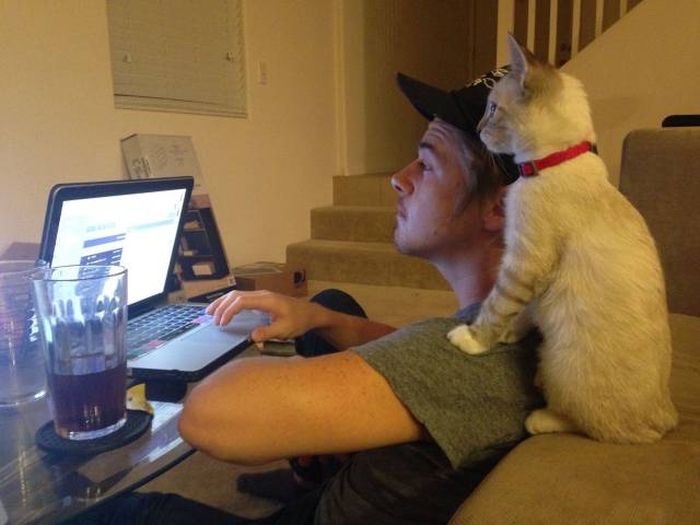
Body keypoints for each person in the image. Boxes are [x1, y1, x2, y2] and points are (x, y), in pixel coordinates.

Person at [79, 68, 543, 525]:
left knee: (126, 513)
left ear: (500, 207)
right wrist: (318, 318)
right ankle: (312, 479)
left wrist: (310, 388)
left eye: (427, 164)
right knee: (334, 306)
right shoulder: (524, 316)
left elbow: (208, 416)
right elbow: (426, 365)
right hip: (371, 491)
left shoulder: (482, 356)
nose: (399, 179)